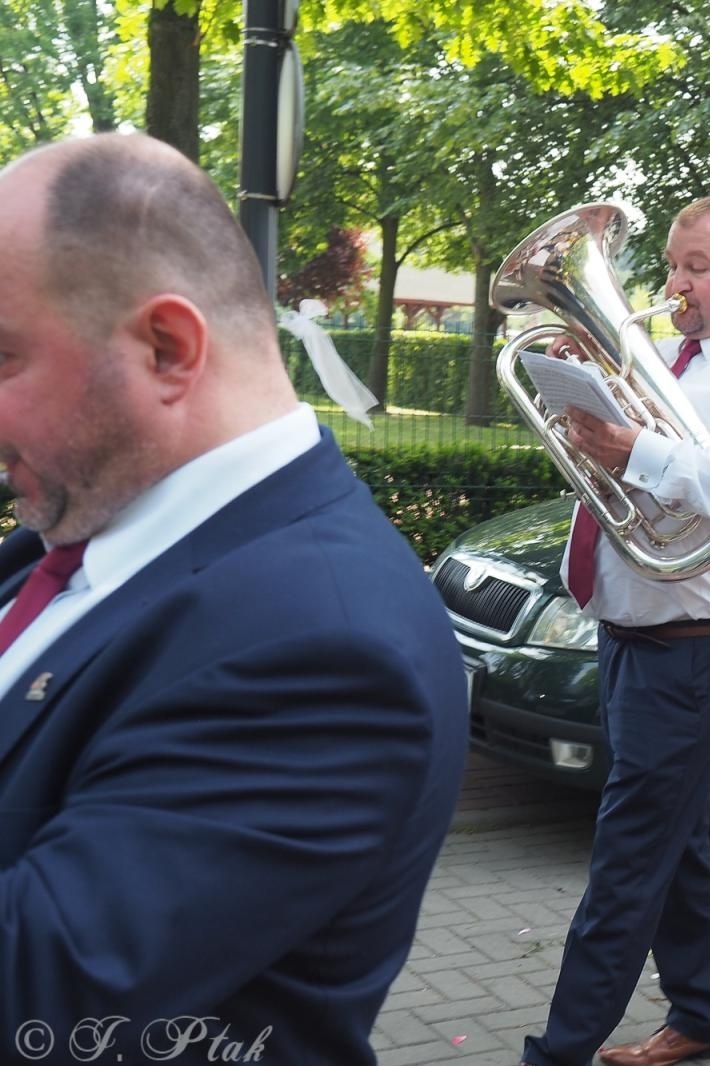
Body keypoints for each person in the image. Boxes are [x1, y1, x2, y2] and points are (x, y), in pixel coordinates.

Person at [0, 134, 468, 1063]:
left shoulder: (326, 650)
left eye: (2, 357)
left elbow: (34, 991)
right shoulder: (94, 522)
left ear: (168, 348)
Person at [517, 198, 710, 1066]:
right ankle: (706, 1016)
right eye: (674, 266)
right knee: (672, 838)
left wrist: (634, 446)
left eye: (700, 267)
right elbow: (629, 469)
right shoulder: (666, 361)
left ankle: (557, 1053)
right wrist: (585, 394)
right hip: (636, 635)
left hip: (699, 643)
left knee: (628, 861)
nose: (676, 284)